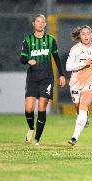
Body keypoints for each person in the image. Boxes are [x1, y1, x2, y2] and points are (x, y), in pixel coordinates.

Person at [20, 14, 66, 145]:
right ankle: (31, 128)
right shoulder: (28, 40)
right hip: (32, 78)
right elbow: (22, 59)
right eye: (38, 21)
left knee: (42, 105)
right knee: (29, 108)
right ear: (34, 24)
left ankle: (37, 139)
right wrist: (29, 60)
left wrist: (61, 75)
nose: (40, 24)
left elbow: (56, 58)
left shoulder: (51, 40)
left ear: (45, 24)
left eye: (43, 22)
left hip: (47, 78)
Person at [66, 25, 92, 145]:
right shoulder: (75, 49)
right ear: (80, 36)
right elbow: (68, 67)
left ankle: (74, 137)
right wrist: (83, 63)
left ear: (91, 35)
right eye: (83, 34)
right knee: (78, 109)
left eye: (88, 33)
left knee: (83, 106)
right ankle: (84, 116)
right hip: (75, 83)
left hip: (91, 82)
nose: (86, 36)